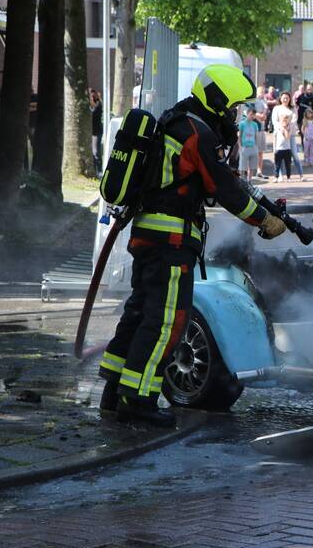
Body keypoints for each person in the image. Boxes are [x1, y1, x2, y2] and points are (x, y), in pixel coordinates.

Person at [97, 64, 287, 426]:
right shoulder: (197, 133)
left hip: (150, 235)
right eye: (233, 107)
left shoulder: (178, 121)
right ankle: (138, 400)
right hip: (170, 240)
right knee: (167, 321)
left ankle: (113, 392)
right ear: (217, 102)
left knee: (139, 314)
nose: (235, 115)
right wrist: (263, 220)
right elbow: (225, 189)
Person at [271, 91, 302, 182]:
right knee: (278, 155)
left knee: (294, 154)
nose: (285, 99)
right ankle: (279, 175)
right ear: (280, 99)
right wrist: (281, 128)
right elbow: (274, 121)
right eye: (283, 98)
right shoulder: (276, 108)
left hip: (290, 134)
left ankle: (301, 174)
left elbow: (294, 120)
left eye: (287, 98)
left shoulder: (293, 109)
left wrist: (287, 127)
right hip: (279, 134)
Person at [237, 105, 260, 181]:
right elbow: (239, 136)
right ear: (247, 114)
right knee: (243, 165)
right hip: (244, 146)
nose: (252, 116)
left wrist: (256, 147)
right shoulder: (242, 124)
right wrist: (240, 147)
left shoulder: (255, 124)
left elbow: (256, 136)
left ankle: (249, 180)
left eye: (254, 115)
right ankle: (242, 180)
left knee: (252, 166)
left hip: (252, 146)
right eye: (251, 114)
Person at [296, 83, 313, 153]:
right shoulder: (301, 97)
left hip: (311, 120)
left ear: (312, 90)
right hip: (301, 119)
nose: (309, 90)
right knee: (303, 135)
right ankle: (305, 150)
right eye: (308, 89)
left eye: (310, 89)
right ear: (305, 89)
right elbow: (296, 105)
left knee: (310, 136)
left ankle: (310, 151)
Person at [89, 89, 103, 173]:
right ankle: (96, 168)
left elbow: (94, 108)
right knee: (94, 151)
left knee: (96, 151)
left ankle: (99, 169)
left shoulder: (98, 106)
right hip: (94, 131)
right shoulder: (94, 106)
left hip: (96, 131)